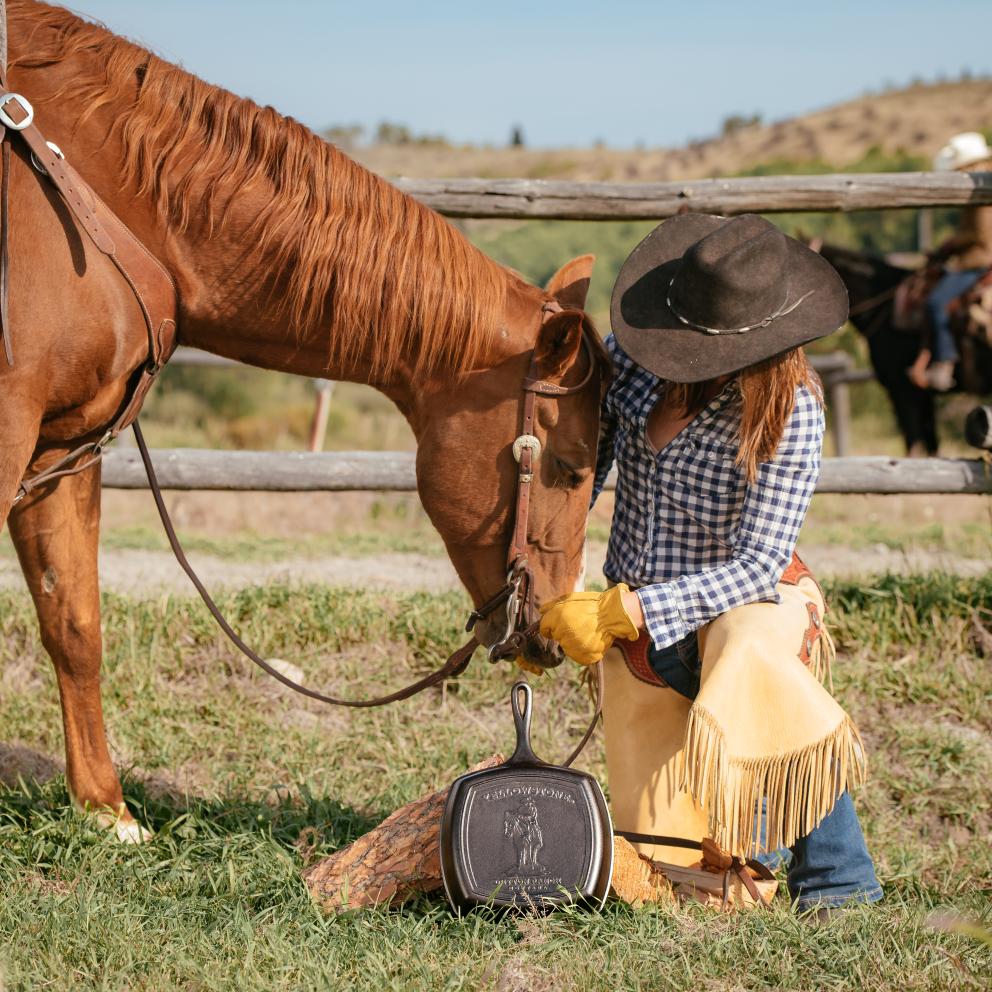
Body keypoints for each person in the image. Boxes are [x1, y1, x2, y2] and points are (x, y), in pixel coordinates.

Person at [535, 213, 882, 915]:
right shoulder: (637, 364)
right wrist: (553, 590)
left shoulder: (792, 413)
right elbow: (585, 469)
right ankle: (820, 875)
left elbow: (758, 564)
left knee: (751, 656)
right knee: (668, 884)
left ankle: (834, 882)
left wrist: (629, 610)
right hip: (641, 614)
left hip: (750, 599)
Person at [909, 132, 992, 392]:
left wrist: (949, 245)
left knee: (936, 302)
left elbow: (979, 236)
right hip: (977, 258)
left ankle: (945, 360)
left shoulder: (981, 192)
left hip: (978, 261)